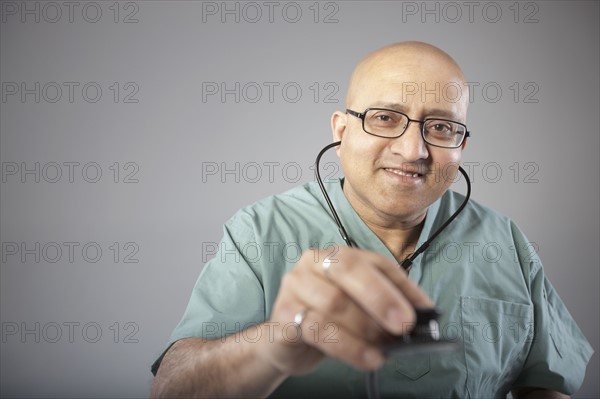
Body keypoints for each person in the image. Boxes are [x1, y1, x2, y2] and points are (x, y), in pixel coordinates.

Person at [150, 42, 592, 398]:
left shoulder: (505, 241)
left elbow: (546, 385)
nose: (413, 150)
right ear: (341, 131)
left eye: (440, 127)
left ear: (461, 145)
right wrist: (279, 340)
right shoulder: (261, 231)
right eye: (385, 118)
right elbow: (170, 389)